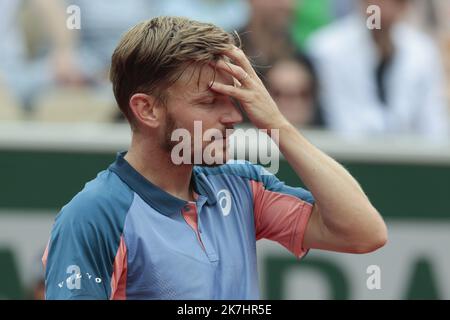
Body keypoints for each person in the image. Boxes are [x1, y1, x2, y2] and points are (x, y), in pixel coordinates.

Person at [42, 16, 387, 300]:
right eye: (210, 102)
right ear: (147, 109)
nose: (234, 117)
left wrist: (277, 124)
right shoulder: (93, 215)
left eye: (232, 99)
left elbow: (363, 233)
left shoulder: (243, 185)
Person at [307, 0, 449, 140]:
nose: (382, 7)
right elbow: (340, 120)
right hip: (344, 155)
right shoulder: (326, 49)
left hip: (412, 156)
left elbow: (432, 124)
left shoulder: (423, 51)